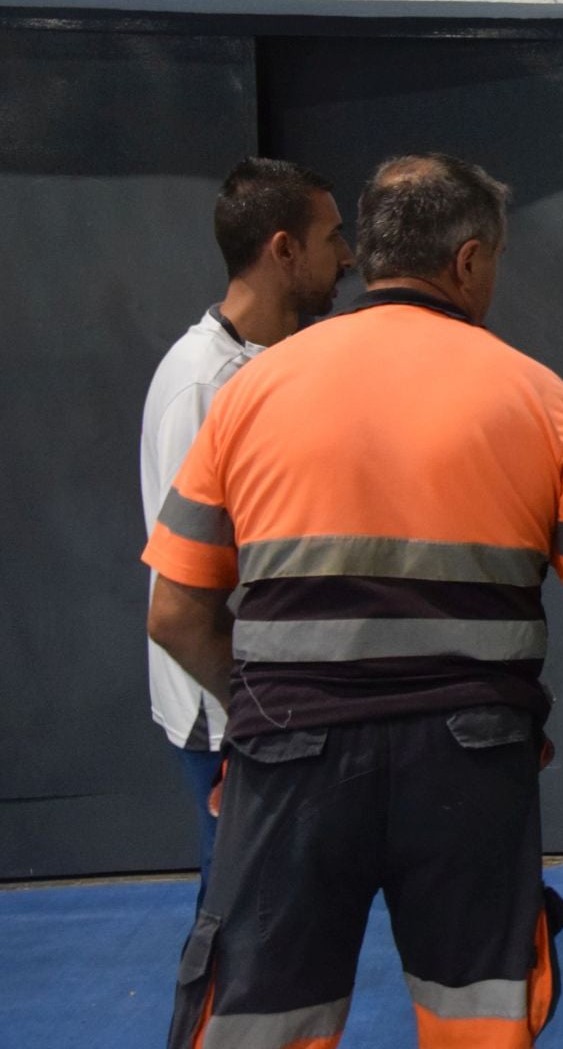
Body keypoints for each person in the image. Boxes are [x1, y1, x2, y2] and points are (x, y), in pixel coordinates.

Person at [144, 154, 563, 1049]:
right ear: (466, 262)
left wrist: (263, 710)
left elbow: (176, 613)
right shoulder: (541, 400)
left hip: (293, 763)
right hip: (471, 767)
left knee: (264, 1022)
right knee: (474, 1021)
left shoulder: (251, 392)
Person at [138, 157, 353, 894]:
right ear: (284, 250)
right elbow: (179, 610)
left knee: (284, 923)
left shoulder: (277, 369)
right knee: (242, 926)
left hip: (284, 708)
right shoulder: (204, 384)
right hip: (238, 720)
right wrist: (264, 712)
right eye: (334, 238)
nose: (349, 257)